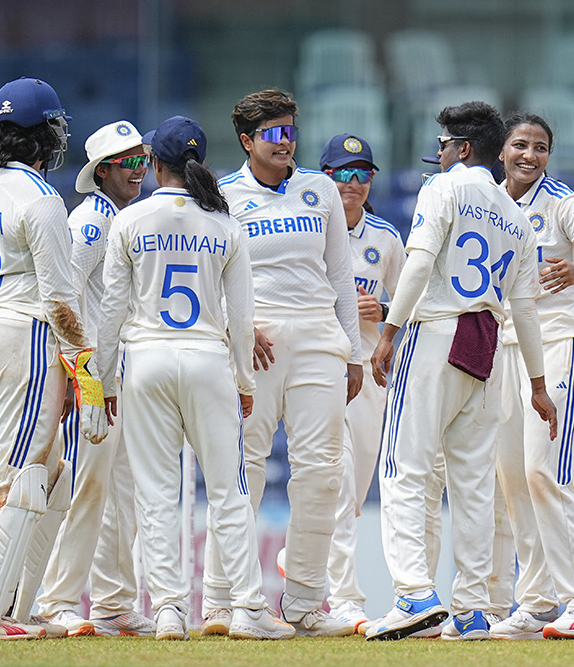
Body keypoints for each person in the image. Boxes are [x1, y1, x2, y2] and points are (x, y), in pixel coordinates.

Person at [97, 116, 294, 642]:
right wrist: (246, 382)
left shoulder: (131, 221)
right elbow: (243, 317)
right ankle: (248, 609)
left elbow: (112, 309)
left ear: (154, 164)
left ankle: (167, 611)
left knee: (156, 494)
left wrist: (105, 382)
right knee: (229, 491)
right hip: (208, 359)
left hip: (146, 361)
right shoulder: (224, 223)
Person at [366, 101, 557, 642]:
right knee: (472, 483)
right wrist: (538, 386)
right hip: (489, 345)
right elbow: (526, 310)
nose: (440, 156)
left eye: (445, 147)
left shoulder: (443, 188)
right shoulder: (518, 218)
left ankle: (413, 595)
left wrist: (388, 330)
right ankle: (472, 607)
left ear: (462, 148)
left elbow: (421, 259)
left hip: (436, 332)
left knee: (405, 468)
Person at [0, 77, 109, 641]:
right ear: (47, 135)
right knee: (18, 471)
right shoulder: (42, 200)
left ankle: (17, 606)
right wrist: (86, 376)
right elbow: (61, 301)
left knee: (51, 474)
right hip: (28, 335)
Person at [204, 89, 361, 638]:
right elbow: (212, 274)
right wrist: (235, 328)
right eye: (273, 132)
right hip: (257, 339)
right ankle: (223, 602)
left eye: (290, 129)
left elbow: (340, 275)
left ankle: (304, 602)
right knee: (241, 469)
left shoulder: (320, 189)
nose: (285, 141)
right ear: (247, 141)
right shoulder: (222, 196)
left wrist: (354, 352)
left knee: (322, 474)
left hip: (319, 335)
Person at [486, 112, 574, 640]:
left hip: (561, 343)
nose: (529, 155)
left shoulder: (565, 203)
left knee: (546, 473)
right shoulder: (488, 204)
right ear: (502, 150)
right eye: (520, 145)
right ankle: (539, 602)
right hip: (506, 349)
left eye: (540, 147)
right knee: (514, 477)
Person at [35, 121, 156, 637]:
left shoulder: (121, 218)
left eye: (143, 160)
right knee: (90, 486)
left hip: (120, 371)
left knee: (120, 491)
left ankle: (112, 603)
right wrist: (80, 376)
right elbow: (60, 295)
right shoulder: (92, 221)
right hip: (95, 377)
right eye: (127, 163)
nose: (138, 171)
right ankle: (55, 600)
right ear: (102, 171)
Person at [318, 134, 406, 634]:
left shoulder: (384, 238)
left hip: (369, 377)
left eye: (362, 174)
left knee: (354, 489)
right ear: (325, 177)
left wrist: (387, 311)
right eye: (343, 174)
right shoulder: (311, 232)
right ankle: (345, 598)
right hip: (322, 368)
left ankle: (299, 555)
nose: (353, 184)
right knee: (338, 479)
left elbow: (412, 301)